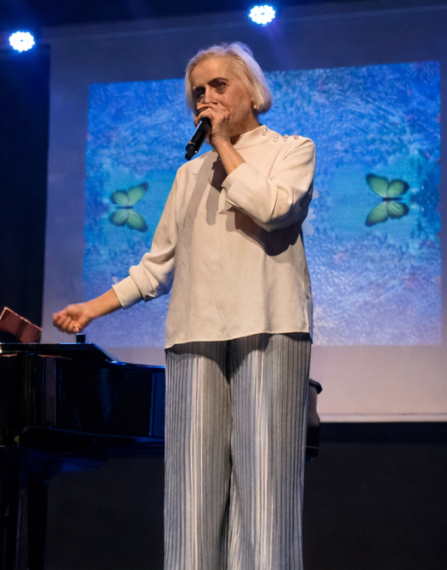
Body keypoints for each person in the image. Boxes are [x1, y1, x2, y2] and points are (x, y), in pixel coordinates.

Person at [54, 42, 315, 570]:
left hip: (270, 328)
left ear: (253, 92)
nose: (207, 96)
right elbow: (156, 268)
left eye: (219, 85)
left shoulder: (291, 150)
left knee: (265, 492)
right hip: (194, 337)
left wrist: (222, 146)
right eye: (199, 90)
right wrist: (93, 308)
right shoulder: (188, 176)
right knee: (191, 494)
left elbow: (273, 210)